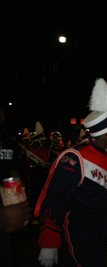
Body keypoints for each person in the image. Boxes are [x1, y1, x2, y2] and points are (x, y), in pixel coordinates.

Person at [34, 78, 107, 267]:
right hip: (78, 227)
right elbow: (55, 199)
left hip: (100, 224)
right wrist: (49, 242)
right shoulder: (75, 158)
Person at [0, 106, 30, 266]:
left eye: (2, 111)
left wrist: (20, 203)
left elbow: (14, 174)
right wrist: (2, 220)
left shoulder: (8, 142)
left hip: (7, 217)